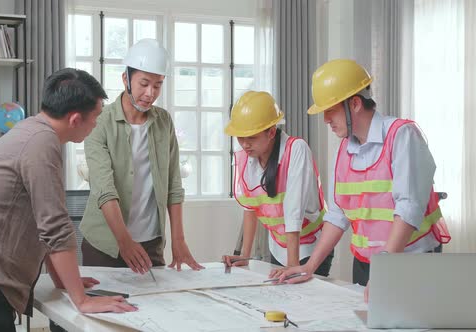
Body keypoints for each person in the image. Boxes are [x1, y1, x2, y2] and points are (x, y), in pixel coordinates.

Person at [0, 68, 135, 332]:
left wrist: (63, 281)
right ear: (75, 119)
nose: (96, 125)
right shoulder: (41, 143)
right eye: (95, 118)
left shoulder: (30, 132)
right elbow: (55, 225)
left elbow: (41, 224)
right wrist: (81, 301)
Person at [270, 59, 451, 291]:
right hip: (366, 264)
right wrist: (310, 266)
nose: (326, 119)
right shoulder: (344, 151)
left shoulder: (401, 136)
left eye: (330, 111)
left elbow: (408, 207)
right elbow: (337, 215)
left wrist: (386, 269)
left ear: (354, 104)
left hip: (410, 261)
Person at [80, 38, 202, 273]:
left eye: (158, 85)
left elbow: (173, 185)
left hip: (150, 245)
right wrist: (124, 242)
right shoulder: (100, 122)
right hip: (105, 246)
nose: (150, 93)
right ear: (126, 79)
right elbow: (104, 190)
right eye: (144, 83)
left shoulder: (163, 121)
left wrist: (178, 241)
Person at [222, 91, 333, 275]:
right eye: (240, 137)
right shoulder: (248, 158)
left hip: (310, 248)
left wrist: (292, 264)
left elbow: (293, 209)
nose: (244, 144)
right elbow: (251, 209)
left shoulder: (296, 149)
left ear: (271, 132)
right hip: (278, 247)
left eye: (252, 137)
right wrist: (244, 255)